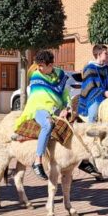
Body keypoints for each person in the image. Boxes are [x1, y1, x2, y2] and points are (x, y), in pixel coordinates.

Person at [16, 50, 72, 180]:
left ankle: (83, 161)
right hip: (39, 109)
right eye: (38, 65)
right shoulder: (36, 76)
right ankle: (38, 161)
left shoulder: (60, 75)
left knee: (77, 122)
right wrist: (58, 112)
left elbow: (65, 94)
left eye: (42, 66)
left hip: (59, 108)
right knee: (48, 124)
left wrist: (67, 108)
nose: (39, 68)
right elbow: (40, 100)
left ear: (50, 65)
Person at [77, 44, 108, 123]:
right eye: (105, 53)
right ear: (99, 54)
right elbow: (90, 88)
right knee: (94, 117)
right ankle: (91, 130)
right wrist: (104, 92)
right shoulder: (89, 69)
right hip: (94, 98)